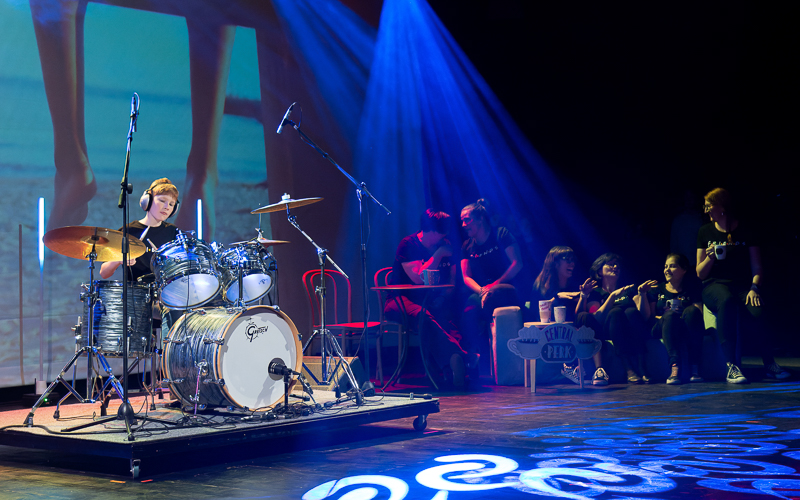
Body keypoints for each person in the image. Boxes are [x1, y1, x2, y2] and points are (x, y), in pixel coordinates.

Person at [696, 187, 789, 383]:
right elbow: (700, 273)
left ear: (722, 207)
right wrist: (710, 257)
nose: (706, 210)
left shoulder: (745, 231)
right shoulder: (705, 232)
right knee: (726, 300)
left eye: (709, 206)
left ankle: (769, 364)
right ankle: (731, 366)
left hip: (741, 286)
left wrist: (754, 288)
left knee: (757, 311)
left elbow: (757, 267)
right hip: (713, 285)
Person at [384, 209, 475, 389]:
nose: (445, 235)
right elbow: (418, 278)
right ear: (432, 230)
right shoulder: (409, 244)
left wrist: (442, 297)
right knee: (423, 316)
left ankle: (452, 368)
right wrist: (438, 254)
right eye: (442, 232)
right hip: (399, 301)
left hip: (430, 301)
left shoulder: (445, 244)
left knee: (448, 321)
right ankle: (463, 358)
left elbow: (451, 281)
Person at [531, 246, 608, 385]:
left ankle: (599, 370)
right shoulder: (540, 287)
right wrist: (557, 297)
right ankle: (573, 368)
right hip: (552, 330)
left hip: (575, 329)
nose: (572, 264)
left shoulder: (575, 286)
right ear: (555, 263)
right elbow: (538, 315)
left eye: (573, 260)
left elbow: (579, 314)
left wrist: (583, 296)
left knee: (585, 317)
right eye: (567, 260)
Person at [580, 253, 657, 384]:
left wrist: (642, 294)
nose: (615, 267)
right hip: (609, 329)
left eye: (617, 265)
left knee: (631, 311)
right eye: (610, 264)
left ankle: (642, 366)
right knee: (616, 312)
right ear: (600, 271)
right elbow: (597, 318)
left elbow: (643, 316)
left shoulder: (628, 290)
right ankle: (628, 368)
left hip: (631, 328)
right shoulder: (595, 293)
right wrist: (612, 297)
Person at [460, 199, 524, 354]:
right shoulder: (467, 246)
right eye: (462, 221)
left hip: (504, 287)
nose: (463, 225)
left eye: (467, 220)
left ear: (480, 219)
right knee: (470, 308)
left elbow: (517, 263)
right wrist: (482, 291)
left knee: (494, 295)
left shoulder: (501, 234)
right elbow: (466, 276)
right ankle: (473, 353)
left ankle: (506, 349)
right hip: (482, 291)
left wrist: (493, 286)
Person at [641, 253, 705, 385]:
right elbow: (650, 317)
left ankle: (694, 367)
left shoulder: (691, 289)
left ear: (684, 269)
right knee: (670, 316)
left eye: (672, 266)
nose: (667, 270)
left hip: (684, 327)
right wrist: (666, 315)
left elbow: (698, 314)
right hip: (661, 327)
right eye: (666, 267)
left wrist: (682, 314)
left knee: (692, 311)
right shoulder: (657, 289)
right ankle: (674, 367)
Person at [100, 178, 180, 281]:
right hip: (135, 290)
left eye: (171, 204)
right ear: (148, 201)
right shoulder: (129, 230)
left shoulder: (174, 232)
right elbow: (104, 273)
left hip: (166, 290)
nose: (167, 207)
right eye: (162, 201)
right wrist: (120, 259)